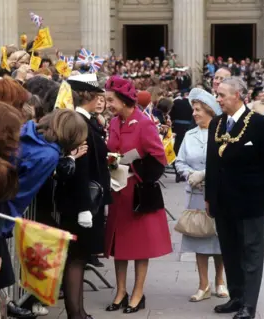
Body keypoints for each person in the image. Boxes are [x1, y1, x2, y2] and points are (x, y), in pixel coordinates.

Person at [205, 77, 264, 319]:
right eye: (217, 95)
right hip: (223, 201)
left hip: (251, 201)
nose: (218, 99)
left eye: (222, 95)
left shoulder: (261, 124)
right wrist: (209, 196)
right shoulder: (217, 123)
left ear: (237, 95)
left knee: (251, 253)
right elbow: (211, 163)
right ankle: (236, 297)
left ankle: (249, 304)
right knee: (230, 251)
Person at [104, 76, 172, 314]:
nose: (108, 104)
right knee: (118, 245)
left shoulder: (144, 123)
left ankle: (138, 292)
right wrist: (112, 163)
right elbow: (111, 150)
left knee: (139, 246)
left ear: (124, 100)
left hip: (137, 192)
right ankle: (120, 291)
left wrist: (132, 165)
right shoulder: (113, 122)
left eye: (111, 100)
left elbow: (159, 159)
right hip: (117, 192)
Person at [55, 73, 112, 319]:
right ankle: (75, 313)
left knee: (79, 258)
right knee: (76, 259)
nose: (100, 98)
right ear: (88, 95)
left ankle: (80, 311)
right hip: (81, 202)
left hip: (86, 200)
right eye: (97, 94)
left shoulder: (86, 120)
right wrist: (83, 207)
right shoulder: (79, 121)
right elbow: (81, 168)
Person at [175, 88, 228, 302]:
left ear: (209, 111)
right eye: (194, 110)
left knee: (219, 238)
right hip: (196, 193)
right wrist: (189, 174)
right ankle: (203, 285)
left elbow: (226, 161)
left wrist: (204, 174)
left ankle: (220, 282)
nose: (194, 113)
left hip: (219, 192)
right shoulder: (189, 135)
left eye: (198, 110)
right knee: (200, 238)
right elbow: (179, 161)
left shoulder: (222, 133)